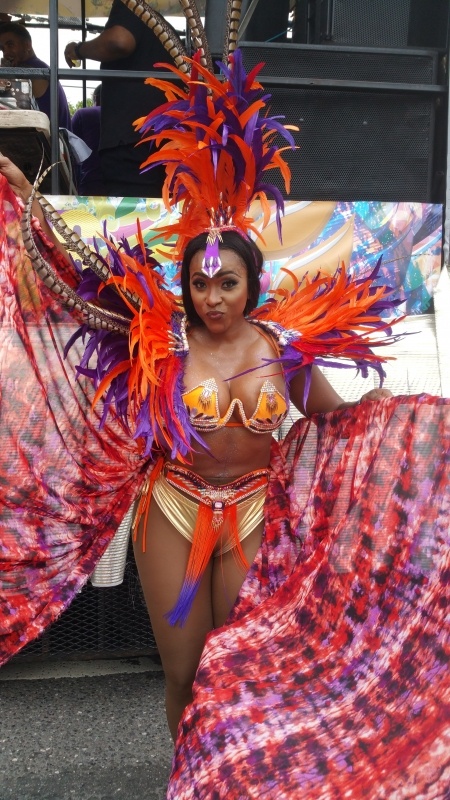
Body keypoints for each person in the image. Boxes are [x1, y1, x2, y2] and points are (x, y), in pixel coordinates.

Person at [0, 1, 449, 795]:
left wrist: (409, 446)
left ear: (251, 285)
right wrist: (25, 208)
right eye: (201, 284)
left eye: (228, 283)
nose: (213, 297)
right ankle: (190, 776)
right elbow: (72, 283)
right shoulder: (160, 341)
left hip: (253, 511)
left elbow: (339, 421)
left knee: (234, 666)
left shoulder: (283, 350)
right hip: (171, 510)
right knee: (183, 673)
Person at [64, 0, 180, 197]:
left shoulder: (131, 6)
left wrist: (77, 49)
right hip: (158, 140)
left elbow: (119, 41)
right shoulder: (158, 26)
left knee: (133, 211)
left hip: (132, 142)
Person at [0, 21, 72, 131]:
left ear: (27, 45)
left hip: (51, 139)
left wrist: (6, 72)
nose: (6, 53)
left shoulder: (31, 72)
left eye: (10, 45)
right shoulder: (39, 68)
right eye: (3, 49)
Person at [71, 84, 105, 195]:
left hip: (90, 183)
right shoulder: (125, 117)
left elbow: (68, 146)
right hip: (121, 184)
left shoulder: (83, 114)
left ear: (95, 98)